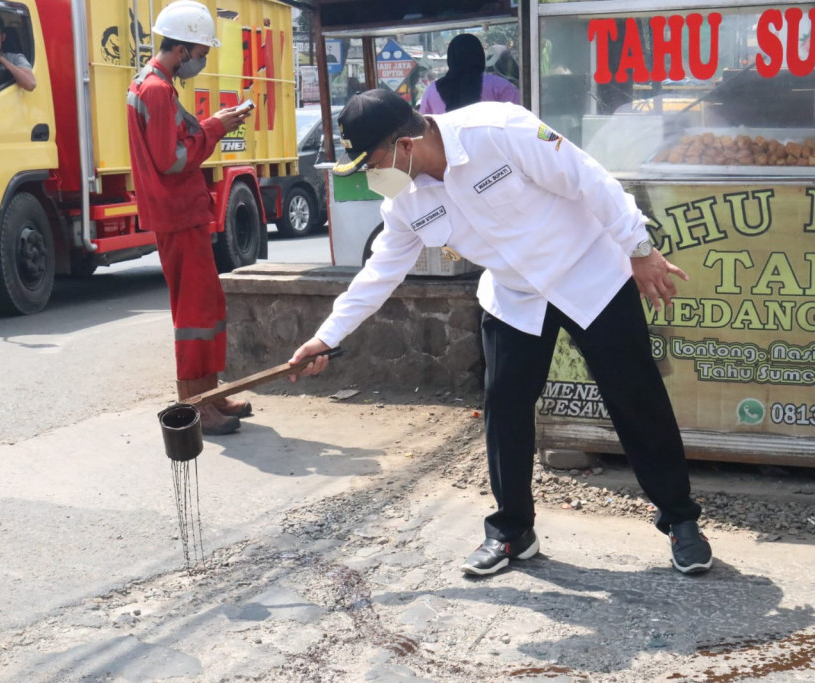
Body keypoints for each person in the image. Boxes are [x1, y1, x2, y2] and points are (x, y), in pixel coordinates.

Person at [289, 89, 713, 577]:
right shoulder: (405, 199)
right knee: (504, 408)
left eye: (374, 160)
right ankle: (513, 532)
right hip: (515, 297)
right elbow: (380, 271)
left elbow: (586, 178)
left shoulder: (496, 130)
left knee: (635, 397)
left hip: (589, 274)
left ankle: (681, 521)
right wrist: (327, 336)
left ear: (406, 142)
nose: (371, 173)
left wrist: (638, 247)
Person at [126, 0, 253, 435]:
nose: (201, 62)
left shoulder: (152, 83)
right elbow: (173, 159)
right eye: (201, 55)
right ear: (182, 50)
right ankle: (198, 405)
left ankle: (210, 394)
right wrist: (216, 127)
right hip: (178, 214)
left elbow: (172, 145)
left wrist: (212, 122)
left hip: (179, 213)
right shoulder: (158, 90)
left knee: (206, 305)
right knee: (195, 311)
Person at [418, 34, 518, 114]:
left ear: (451, 58)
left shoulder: (432, 91)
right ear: (479, 56)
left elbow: (424, 129)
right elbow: (519, 118)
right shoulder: (498, 85)